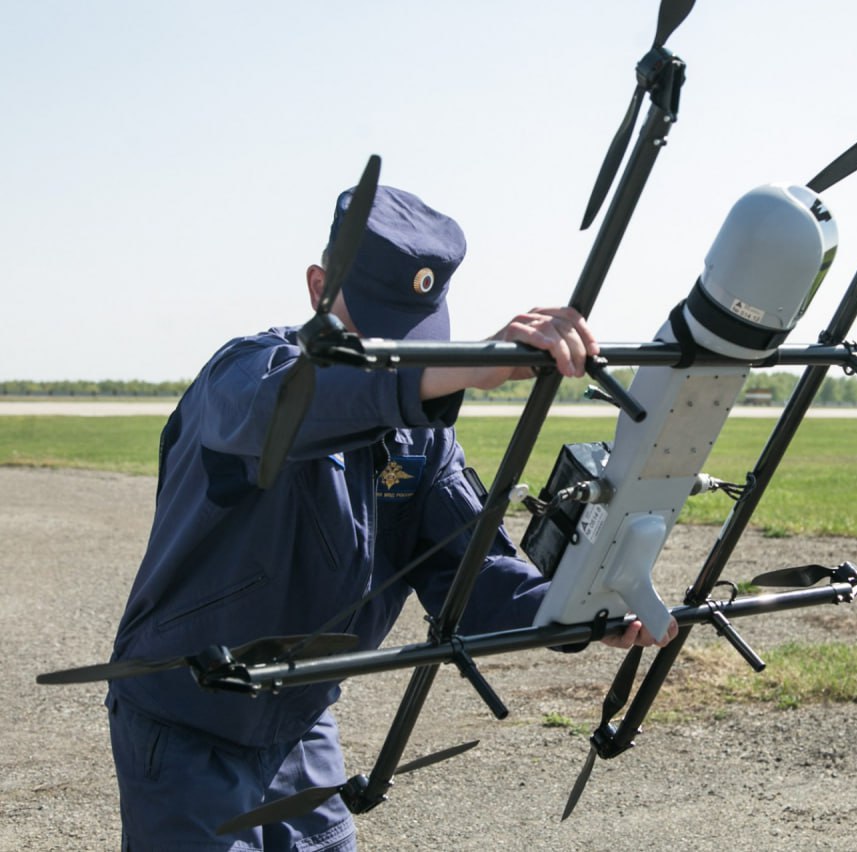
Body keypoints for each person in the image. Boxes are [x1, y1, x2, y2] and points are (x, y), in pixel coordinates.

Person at [107, 185, 676, 851]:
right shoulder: (243, 376)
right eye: (377, 326)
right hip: (186, 726)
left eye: (413, 332)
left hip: (299, 723)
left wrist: (580, 611)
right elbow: (293, 408)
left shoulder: (423, 440)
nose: (396, 349)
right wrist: (457, 370)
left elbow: (474, 573)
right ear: (319, 287)